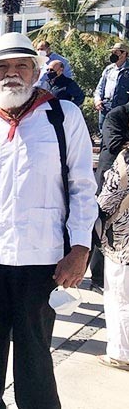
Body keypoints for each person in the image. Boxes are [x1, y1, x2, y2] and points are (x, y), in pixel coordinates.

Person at [0, 33, 97, 409]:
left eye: (21, 66)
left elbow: (83, 187)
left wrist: (80, 248)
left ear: (35, 71)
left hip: (43, 261)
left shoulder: (64, 117)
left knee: (35, 362)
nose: (11, 73)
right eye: (2, 67)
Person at [95, 146, 129, 371]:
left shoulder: (126, 160)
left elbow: (107, 200)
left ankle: (121, 353)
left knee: (120, 297)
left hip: (123, 242)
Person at [94, 42, 129, 131]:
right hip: (105, 106)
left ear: (124, 54)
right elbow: (100, 87)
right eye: (112, 52)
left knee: (119, 133)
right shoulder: (109, 69)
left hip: (121, 107)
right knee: (103, 132)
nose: (113, 54)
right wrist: (97, 100)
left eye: (116, 52)